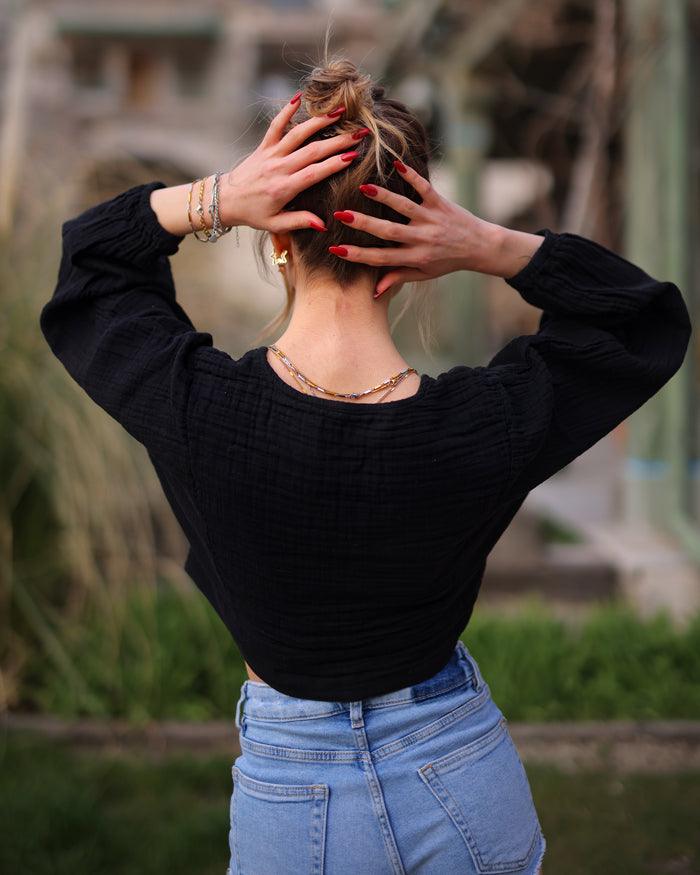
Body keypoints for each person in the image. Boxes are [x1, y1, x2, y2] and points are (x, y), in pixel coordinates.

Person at [39, 53, 691, 875]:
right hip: (463, 773)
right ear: (414, 252)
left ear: (277, 239)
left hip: (292, 793)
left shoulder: (196, 410)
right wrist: (489, 245)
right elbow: (643, 321)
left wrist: (216, 199)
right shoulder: (485, 423)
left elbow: (90, 269)